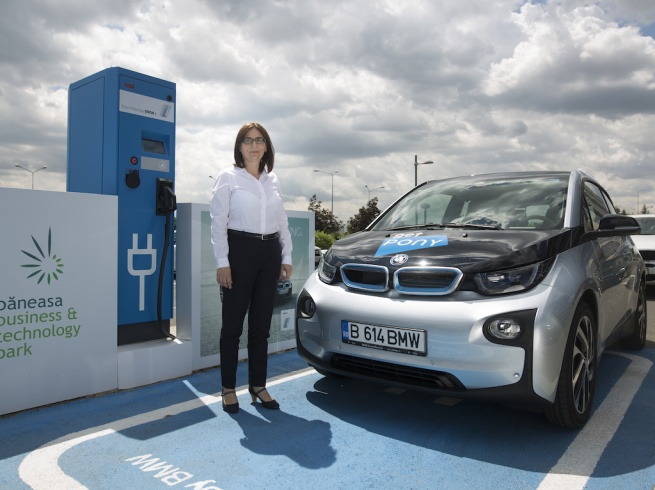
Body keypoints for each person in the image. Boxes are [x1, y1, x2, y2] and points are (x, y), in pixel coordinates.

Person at [210, 122, 293, 414]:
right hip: (239, 252)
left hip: (269, 254)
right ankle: (228, 388)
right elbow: (218, 223)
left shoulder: (273, 180)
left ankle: (258, 385)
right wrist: (223, 262)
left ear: (267, 147)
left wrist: (286, 256)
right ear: (239, 146)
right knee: (232, 328)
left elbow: (281, 221)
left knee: (261, 328)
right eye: (247, 140)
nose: (254, 145)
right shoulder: (228, 177)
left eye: (259, 140)